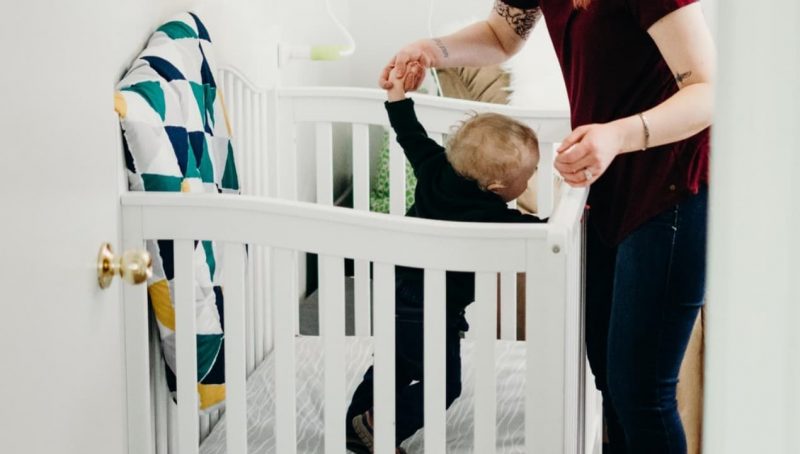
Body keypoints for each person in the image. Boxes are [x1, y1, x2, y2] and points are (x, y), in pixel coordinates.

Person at [380, 1, 714, 452]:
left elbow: (708, 91)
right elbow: (502, 36)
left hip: (667, 188)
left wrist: (617, 135)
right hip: (602, 187)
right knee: (608, 377)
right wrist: (431, 49)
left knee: (641, 392)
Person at [345, 68, 546, 454]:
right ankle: (376, 426)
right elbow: (537, 232)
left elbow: (410, 133)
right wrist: (574, 220)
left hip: (393, 288)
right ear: (498, 188)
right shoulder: (490, 213)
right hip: (430, 306)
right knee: (442, 386)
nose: (531, 180)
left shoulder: (434, 165)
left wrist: (397, 97)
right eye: (530, 175)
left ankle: (355, 432)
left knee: (393, 366)